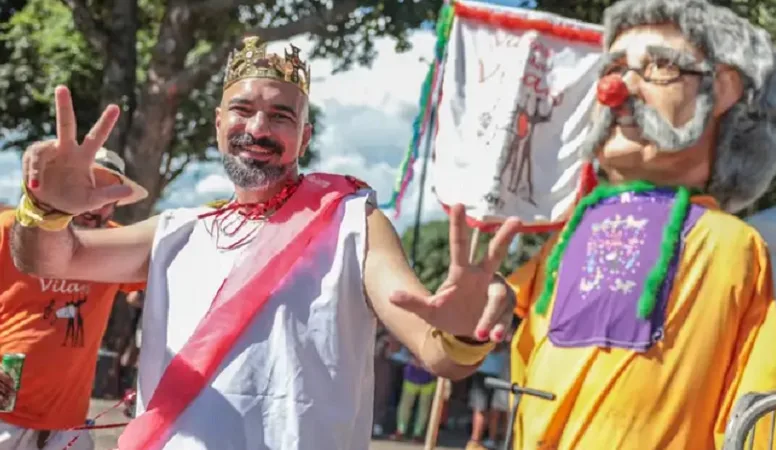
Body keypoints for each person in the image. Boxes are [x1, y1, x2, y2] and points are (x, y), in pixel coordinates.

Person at [10, 36, 522, 450]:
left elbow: (437, 353)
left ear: (304, 136)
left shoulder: (353, 223)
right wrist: (45, 209)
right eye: (243, 109)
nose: (258, 127)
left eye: (281, 115)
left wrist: (463, 332)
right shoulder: (177, 231)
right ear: (217, 123)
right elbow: (47, 255)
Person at [504, 0, 776, 449]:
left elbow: (758, 404)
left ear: (723, 90)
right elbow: (490, 326)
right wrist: (463, 323)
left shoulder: (729, 244)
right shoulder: (570, 234)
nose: (615, 92)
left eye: (659, 66)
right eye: (615, 68)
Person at [0, 149, 147, 450]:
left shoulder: (115, 244)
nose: (96, 208)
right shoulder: (10, 229)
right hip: (5, 416)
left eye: (108, 199)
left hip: (69, 426)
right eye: (87, 192)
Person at [466, 343, 510, 450]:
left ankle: (492, 439)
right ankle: (475, 440)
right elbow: (494, 348)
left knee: (495, 410)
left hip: (499, 375)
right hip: (484, 372)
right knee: (481, 409)